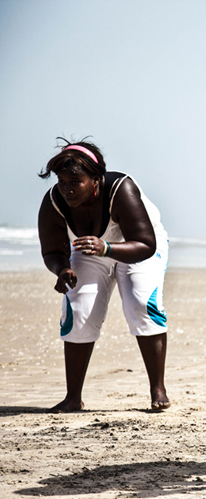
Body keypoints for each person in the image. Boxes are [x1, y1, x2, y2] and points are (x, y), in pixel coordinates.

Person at [37, 140, 170, 413]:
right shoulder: (54, 201)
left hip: (138, 245)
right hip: (90, 249)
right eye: (62, 181)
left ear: (95, 179)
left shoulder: (122, 189)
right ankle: (73, 397)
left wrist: (107, 247)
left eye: (76, 181)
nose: (67, 188)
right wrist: (62, 269)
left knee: (141, 304)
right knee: (78, 310)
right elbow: (52, 250)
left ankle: (158, 390)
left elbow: (146, 244)